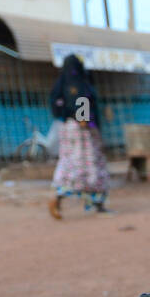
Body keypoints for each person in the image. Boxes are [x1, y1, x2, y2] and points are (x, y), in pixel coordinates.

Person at [48, 54, 110, 218]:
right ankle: (96, 203)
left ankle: (61, 197)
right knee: (90, 166)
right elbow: (80, 97)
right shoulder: (78, 82)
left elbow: (56, 103)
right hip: (82, 131)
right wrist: (82, 119)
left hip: (70, 128)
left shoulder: (62, 83)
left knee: (73, 164)